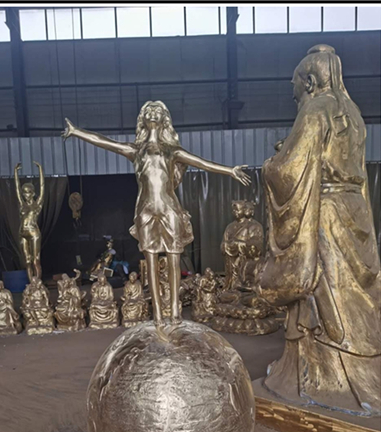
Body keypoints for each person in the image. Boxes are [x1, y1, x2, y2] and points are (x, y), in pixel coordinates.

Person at [257, 45, 381, 415]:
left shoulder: (315, 109)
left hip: (323, 212)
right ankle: (366, 367)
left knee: (324, 288)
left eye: (295, 84)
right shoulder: (353, 114)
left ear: (309, 81)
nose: (293, 92)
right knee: (353, 294)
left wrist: (270, 165)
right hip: (354, 212)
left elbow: (291, 170)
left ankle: (326, 375)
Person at [63, 100, 250, 325]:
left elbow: (202, 163)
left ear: (164, 119)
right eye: (148, 111)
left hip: (169, 209)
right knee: (150, 260)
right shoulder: (136, 150)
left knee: (174, 260)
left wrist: (230, 171)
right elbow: (105, 143)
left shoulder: (172, 151)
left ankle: (175, 312)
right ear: (142, 119)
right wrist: (76, 132)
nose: (152, 113)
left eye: (157, 111)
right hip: (145, 211)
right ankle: (158, 315)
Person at [14, 161, 45, 282]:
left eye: (28, 192)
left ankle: (38, 282)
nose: (26, 195)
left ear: (33, 193)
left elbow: (42, 187)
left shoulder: (37, 205)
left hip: (34, 233)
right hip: (22, 233)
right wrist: (15, 172)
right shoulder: (22, 204)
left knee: (36, 260)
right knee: (27, 261)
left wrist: (40, 170)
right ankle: (31, 283)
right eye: (24, 193)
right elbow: (17, 189)